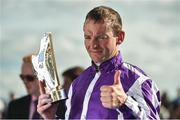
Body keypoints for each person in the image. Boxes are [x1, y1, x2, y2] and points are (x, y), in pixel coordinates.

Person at [37, 6, 161, 119]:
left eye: (102, 37)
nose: (93, 45)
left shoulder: (138, 82)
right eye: (88, 37)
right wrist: (51, 117)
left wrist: (125, 102)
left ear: (120, 37)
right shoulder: (77, 84)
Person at [6, 55, 41, 119]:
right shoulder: (14, 106)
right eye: (22, 77)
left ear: (42, 76)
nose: (25, 81)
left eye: (29, 77)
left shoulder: (61, 105)